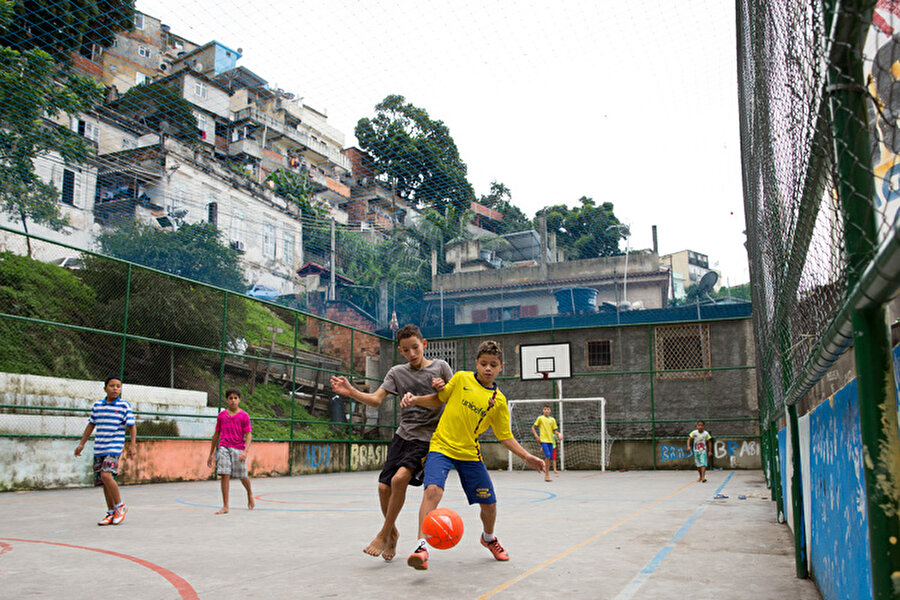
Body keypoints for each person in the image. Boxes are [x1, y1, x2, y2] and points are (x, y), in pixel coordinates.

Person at [401, 340, 545, 571]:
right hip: (442, 446)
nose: (488, 368)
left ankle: (488, 538)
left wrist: (526, 456)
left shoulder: (498, 401)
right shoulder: (461, 379)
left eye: (493, 365)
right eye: (484, 363)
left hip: (469, 453)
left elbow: (504, 435)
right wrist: (429, 391)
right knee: (432, 490)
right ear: (476, 363)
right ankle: (421, 547)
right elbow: (441, 397)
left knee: (489, 503)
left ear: (501, 367)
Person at [330, 324, 452, 561]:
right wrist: (352, 392)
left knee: (399, 479)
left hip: (427, 438)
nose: (412, 354)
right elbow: (375, 400)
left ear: (424, 344)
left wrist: (444, 387)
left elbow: (454, 394)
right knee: (383, 487)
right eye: (406, 350)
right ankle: (393, 534)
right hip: (403, 436)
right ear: (400, 351)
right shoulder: (397, 372)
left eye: (415, 348)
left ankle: (383, 532)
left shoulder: (441, 367)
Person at [74, 375, 136, 526]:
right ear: (105, 388)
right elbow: (91, 425)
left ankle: (120, 506)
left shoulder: (124, 406)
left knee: (106, 475)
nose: (115, 389)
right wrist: (82, 443)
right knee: (104, 481)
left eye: (118, 386)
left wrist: (132, 445)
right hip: (100, 448)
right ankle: (110, 512)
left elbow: (132, 426)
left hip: (114, 447)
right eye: (112, 386)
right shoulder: (97, 406)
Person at [207, 388, 254, 513]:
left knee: (243, 476)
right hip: (224, 447)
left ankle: (249, 494)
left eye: (235, 398)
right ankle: (225, 506)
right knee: (224, 474)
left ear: (239, 400)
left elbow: (248, 435)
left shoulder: (244, 416)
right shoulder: (222, 416)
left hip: (238, 448)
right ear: (227, 400)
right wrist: (211, 453)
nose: (233, 400)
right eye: (230, 398)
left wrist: (245, 451)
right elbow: (216, 435)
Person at [531, 404, 562, 482]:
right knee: (547, 455)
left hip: (550, 441)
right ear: (543, 410)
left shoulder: (552, 420)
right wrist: (536, 436)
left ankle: (546, 472)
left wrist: (558, 434)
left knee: (549, 458)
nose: (546, 411)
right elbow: (533, 427)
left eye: (548, 409)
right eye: (545, 409)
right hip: (543, 440)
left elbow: (554, 430)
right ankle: (547, 475)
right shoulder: (540, 418)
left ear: (550, 411)